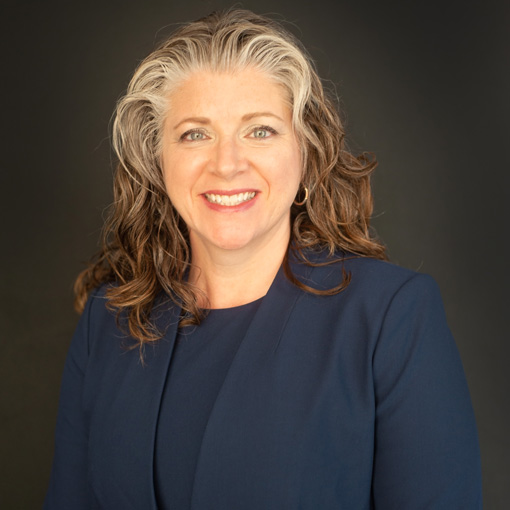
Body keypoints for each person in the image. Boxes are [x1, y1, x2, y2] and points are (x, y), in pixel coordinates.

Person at [44, 9, 482, 509]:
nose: (227, 163)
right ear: (157, 160)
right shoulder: (108, 321)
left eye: (261, 131)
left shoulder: (390, 317)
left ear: (307, 152)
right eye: (194, 133)